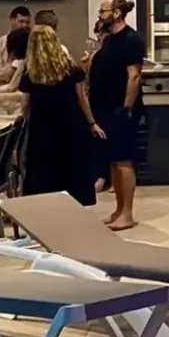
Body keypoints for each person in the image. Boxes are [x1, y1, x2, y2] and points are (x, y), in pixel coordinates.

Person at [20, 26, 103, 206]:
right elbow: (81, 97)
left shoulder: (31, 71)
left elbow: (26, 102)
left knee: (44, 168)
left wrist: (25, 119)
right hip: (71, 124)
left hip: (42, 127)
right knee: (71, 166)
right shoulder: (69, 67)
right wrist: (91, 122)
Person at [87, 0, 146, 230]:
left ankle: (127, 213)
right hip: (105, 108)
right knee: (113, 161)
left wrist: (126, 108)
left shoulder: (131, 39)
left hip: (120, 110)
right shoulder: (110, 40)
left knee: (123, 161)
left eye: (103, 11)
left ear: (117, 13)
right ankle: (119, 209)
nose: (100, 15)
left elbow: (134, 76)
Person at [0, 26, 30, 107]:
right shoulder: (23, 61)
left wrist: (1, 97)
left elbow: (29, 94)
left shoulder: (35, 62)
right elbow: (11, 87)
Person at [0, 5, 33, 85]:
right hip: (1, 88)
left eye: (27, 22)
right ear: (11, 20)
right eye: (21, 21)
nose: (24, 26)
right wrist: (16, 62)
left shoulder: (33, 43)